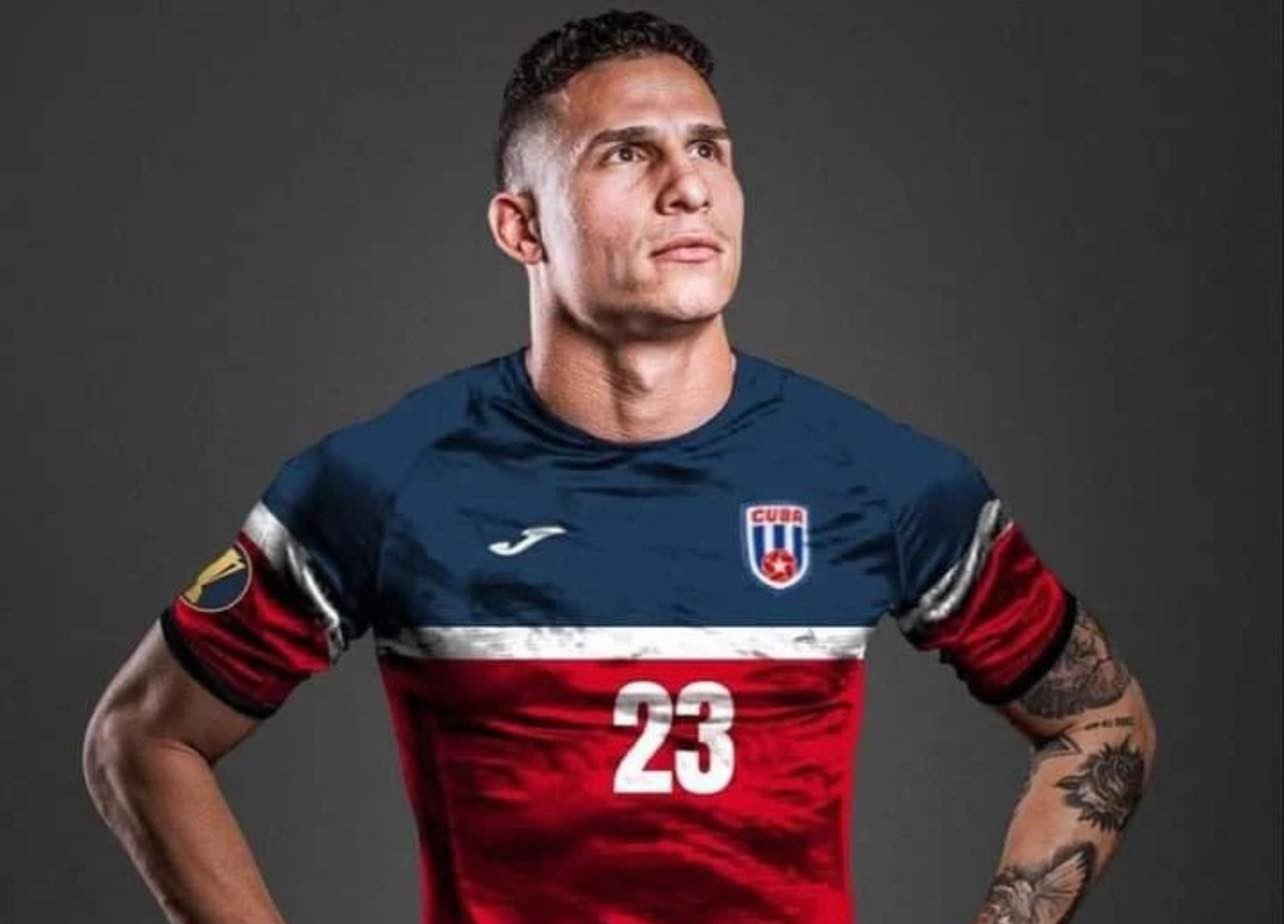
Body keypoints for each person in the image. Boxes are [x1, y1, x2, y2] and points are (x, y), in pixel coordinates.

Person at [82, 10, 1157, 924]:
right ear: (522, 227)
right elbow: (143, 738)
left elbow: (1101, 722)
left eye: (710, 149)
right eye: (627, 154)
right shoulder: (386, 479)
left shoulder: (876, 474)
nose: (690, 188)